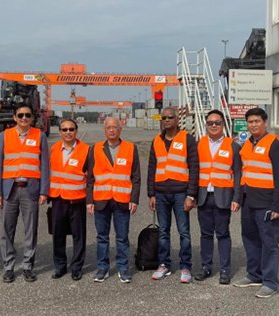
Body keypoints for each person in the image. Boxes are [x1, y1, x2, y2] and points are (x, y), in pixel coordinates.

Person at [233, 107, 279, 299]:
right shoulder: (246, 144)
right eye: (250, 122)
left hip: (266, 203)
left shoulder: (275, 145)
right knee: (250, 240)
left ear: (265, 122)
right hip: (248, 202)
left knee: (269, 243)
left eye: (257, 121)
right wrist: (238, 199)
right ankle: (254, 275)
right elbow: (243, 174)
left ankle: (270, 282)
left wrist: (277, 206)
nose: (253, 125)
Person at [0, 103, 49, 283]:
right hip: (9, 189)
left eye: (27, 115)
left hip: (30, 190)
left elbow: (44, 166)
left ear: (32, 117)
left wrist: (44, 191)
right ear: (14, 117)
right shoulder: (4, 136)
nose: (24, 118)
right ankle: (8, 267)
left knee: (30, 231)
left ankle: (27, 266)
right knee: (7, 231)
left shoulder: (39, 136)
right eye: (20, 115)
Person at [147, 106, 199, 283]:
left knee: (184, 231)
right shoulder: (156, 141)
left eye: (170, 117)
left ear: (177, 120)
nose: (166, 120)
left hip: (180, 193)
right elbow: (151, 168)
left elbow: (194, 168)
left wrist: (191, 195)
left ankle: (185, 266)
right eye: (164, 118)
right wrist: (151, 194)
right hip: (161, 194)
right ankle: (164, 264)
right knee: (163, 231)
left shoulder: (187, 139)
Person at [87, 117, 140, 284]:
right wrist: (89, 201)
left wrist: (134, 199)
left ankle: (123, 268)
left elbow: (136, 177)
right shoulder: (95, 149)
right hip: (101, 200)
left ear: (120, 130)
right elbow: (90, 178)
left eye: (114, 127)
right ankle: (102, 267)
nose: (111, 130)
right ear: (105, 130)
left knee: (122, 237)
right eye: (108, 127)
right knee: (102, 237)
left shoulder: (131, 148)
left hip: (122, 200)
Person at [193, 110, 242, 285]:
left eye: (217, 123)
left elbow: (238, 175)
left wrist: (237, 198)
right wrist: (191, 195)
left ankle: (225, 271)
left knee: (222, 234)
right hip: (204, 197)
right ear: (206, 125)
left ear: (223, 125)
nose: (214, 126)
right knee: (205, 234)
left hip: (223, 198)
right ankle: (206, 267)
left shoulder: (233, 146)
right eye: (210, 123)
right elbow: (194, 172)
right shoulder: (199, 144)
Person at [48, 119, 89, 281]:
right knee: (58, 234)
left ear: (76, 131)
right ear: (60, 132)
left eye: (71, 129)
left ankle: (76, 267)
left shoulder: (86, 150)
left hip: (77, 199)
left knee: (78, 235)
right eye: (64, 130)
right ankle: (59, 266)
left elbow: (91, 177)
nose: (68, 132)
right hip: (58, 198)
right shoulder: (54, 149)